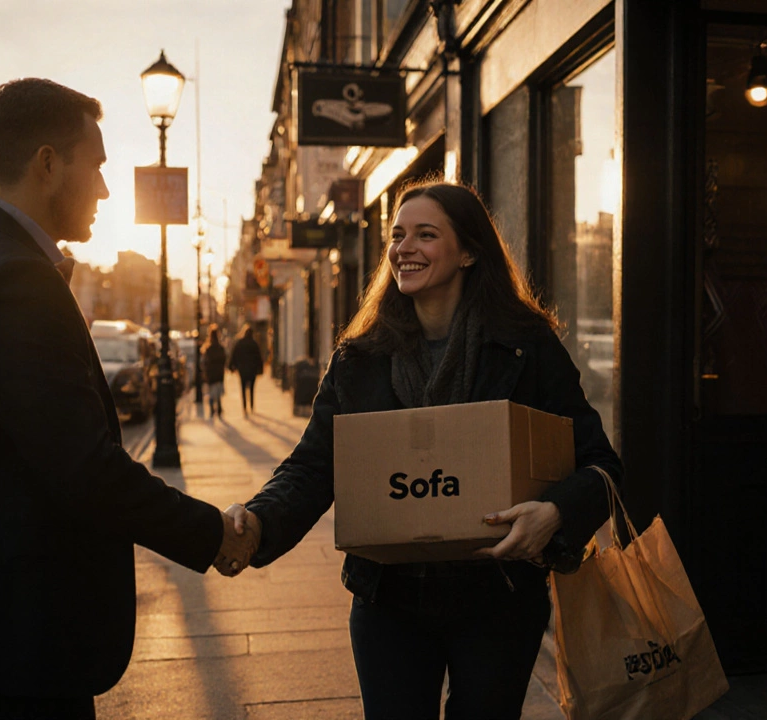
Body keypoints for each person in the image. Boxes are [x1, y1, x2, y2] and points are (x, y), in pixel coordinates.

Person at [0, 78, 246, 720]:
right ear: (47, 163)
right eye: (95, 165)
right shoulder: (12, 277)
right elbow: (83, 465)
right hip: (13, 637)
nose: (104, 189)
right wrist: (213, 534)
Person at [219, 180, 622, 719]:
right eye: (397, 236)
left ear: (469, 252)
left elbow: (600, 463)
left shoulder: (526, 348)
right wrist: (257, 522)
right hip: (388, 600)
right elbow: (313, 467)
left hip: (498, 599)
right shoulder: (359, 359)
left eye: (425, 235)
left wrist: (555, 514)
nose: (403, 248)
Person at [229, 325, 264, 417]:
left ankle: (244, 407)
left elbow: (234, 355)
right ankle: (251, 406)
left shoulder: (240, 343)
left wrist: (231, 366)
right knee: (252, 388)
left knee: (243, 388)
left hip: (242, 370)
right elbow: (259, 357)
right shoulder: (254, 344)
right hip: (252, 370)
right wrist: (260, 369)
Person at [202, 324, 228, 418]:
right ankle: (219, 407)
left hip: (211, 373)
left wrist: (205, 371)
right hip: (219, 373)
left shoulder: (208, 349)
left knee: (211, 392)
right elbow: (224, 360)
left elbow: (205, 362)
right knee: (218, 391)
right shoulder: (220, 348)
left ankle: (212, 409)